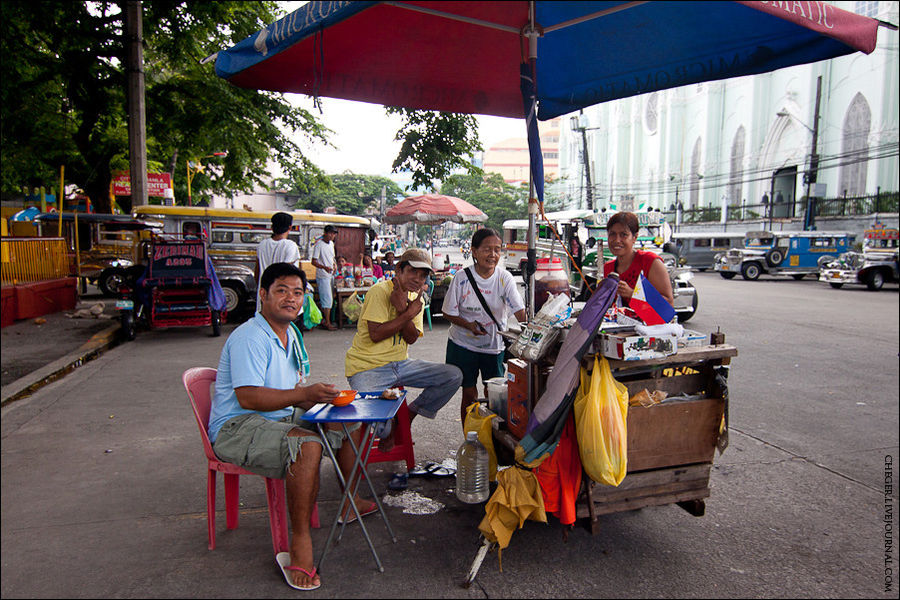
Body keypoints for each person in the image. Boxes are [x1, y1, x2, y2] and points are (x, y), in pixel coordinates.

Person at [208, 263, 375, 591]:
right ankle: (300, 544)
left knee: (351, 420)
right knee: (307, 445)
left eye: (297, 292)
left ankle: (349, 500)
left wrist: (320, 399)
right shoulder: (251, 336)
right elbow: (248, 397)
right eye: (281, 290)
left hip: (279, 417)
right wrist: (304, 395)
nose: (291, 298)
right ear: (263, 296)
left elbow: (292, 391)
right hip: (237, 426)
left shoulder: (291, 335)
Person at [344, 248, 463, 451]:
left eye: (423, 275)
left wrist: (404, 310)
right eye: (413, 272)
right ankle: (390, 425)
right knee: (381, 429)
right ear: (399, 269)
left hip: (401, 364)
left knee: (453, 376)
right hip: (367, 368)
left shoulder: (417, 300)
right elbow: (376, 334)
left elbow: (411, 338)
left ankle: (407, 415)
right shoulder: (379, 291)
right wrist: (405, 313)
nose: (418, 279)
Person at [442, 228, 526, 425]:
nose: (493, 255)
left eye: (497, 249)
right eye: (487, 249)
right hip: (462, 346)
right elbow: (448, 312)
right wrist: (468, 325)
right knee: (469, 393)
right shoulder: (461, 278)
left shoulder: (505, 278)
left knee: (494, 394)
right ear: (474, 251)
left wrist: (529, 333)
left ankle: (491, 437)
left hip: (493, 346)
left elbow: (518, 310)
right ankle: (469, 435)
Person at [603, 211, 674, 307]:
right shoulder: (608, 268)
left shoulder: (650, 262)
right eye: (612, 234)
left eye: (623, 235)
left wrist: (632, 294)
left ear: (634, 237)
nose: (617, 240)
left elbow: (668, 303)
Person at [255, 212, 300, 308]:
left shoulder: (262, 245)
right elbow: (288, 273)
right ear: (290, 227)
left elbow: (257, 273)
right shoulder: (290, 246)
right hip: (282, 298)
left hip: (264, 295)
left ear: (272, 227)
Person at [311, 225, 338, 330]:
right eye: (331, 233)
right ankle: (327, 322)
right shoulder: (319, 245)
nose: (332, 236)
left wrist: (334, 265)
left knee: (329, 299)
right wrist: (324, 267)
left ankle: (326, 320)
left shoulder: (331, 244)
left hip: (330, 274)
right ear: (325, 233)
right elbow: (313, 261)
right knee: (327, 299)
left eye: (334, 233)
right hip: (323, 275)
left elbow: (332, 257)